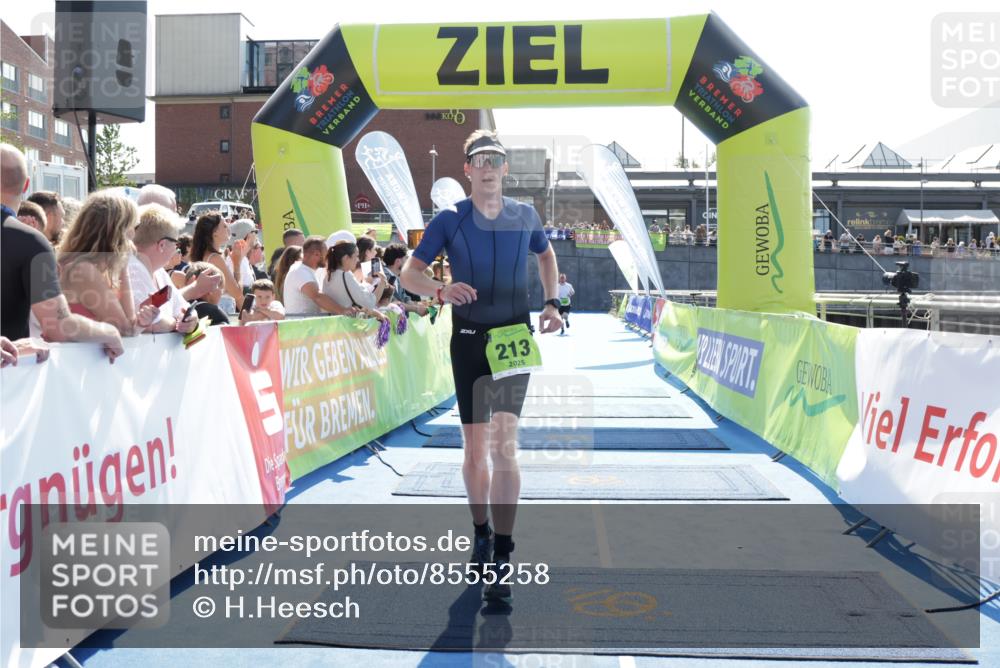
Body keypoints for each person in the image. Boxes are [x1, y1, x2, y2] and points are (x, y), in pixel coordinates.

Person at [400, 130, 562, 604]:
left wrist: (552, 303)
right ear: (467, 169)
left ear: (505, 168)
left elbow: (546, 254)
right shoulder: (450, 219)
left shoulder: (525, 215)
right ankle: (481, 530)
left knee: (505, 447)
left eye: (496, 159)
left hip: (513, 338)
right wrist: (438, 290)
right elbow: (409, 273)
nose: (488, 166)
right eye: (479, 160)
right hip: (469, 341)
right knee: (475, 452)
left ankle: (504, 556)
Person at [1, 144, 124, 361]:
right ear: (26, 185)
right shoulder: (29, 241)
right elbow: (59, 326)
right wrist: (110, 333)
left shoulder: (31, 242)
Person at [56, 192, 159, 337]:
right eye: (133, 227)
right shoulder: (82, 269)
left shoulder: (96, 267)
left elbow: (129, 324)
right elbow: (124, 329)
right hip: (79, 357)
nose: (133, 235)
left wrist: (142, 322)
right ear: (118, 231)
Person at [128, 204, 199, 334]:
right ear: (162, 245)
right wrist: (175, 323)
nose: (176, 249)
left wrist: (192, 319)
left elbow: (184, 308)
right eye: (176, 244)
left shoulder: (160, 272)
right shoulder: (130, 271)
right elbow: (150, 324)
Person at [282, 236, 355, 316]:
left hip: (306, 325)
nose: (328, 257)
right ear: (316, 254)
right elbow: (317, 296)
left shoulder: (304, 270)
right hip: (301, 326)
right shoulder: (300, 271)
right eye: (326, 253)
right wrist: (342, 310)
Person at [190, 212, 245, 311]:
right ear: (214, 233)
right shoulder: (214, 258)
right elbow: (237, 293)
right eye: (224, 226)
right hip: (220, 314)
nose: (228, 227)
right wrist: (237, 263)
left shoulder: (207, 255)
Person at [321, 241, 389, 321]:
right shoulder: (345, 275)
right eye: (356, 256)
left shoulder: (330, 275)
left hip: (334, 325)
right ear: (346, 258)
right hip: (345, 327)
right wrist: (383, 282)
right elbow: (369, 302)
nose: (358, 260)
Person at [382, 243, 428, 315]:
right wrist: (416, 309)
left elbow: (405, 298)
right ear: (398, 261)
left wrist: (419, 306)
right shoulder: (383, 276)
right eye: (406, 258)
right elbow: (393, 302)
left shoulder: (397, 277)